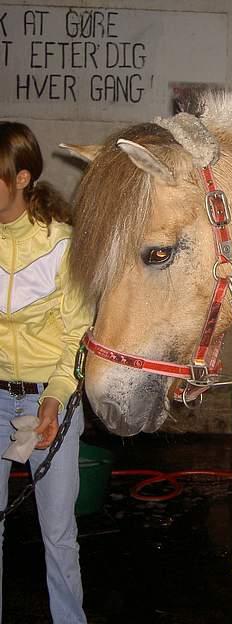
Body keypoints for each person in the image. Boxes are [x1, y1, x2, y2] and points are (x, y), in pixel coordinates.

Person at [0, 122, 91, 623]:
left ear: (21, 177)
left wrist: (54, 400)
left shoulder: (63, 245)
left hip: (46, 399)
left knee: (57, 532)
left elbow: (79, 335)